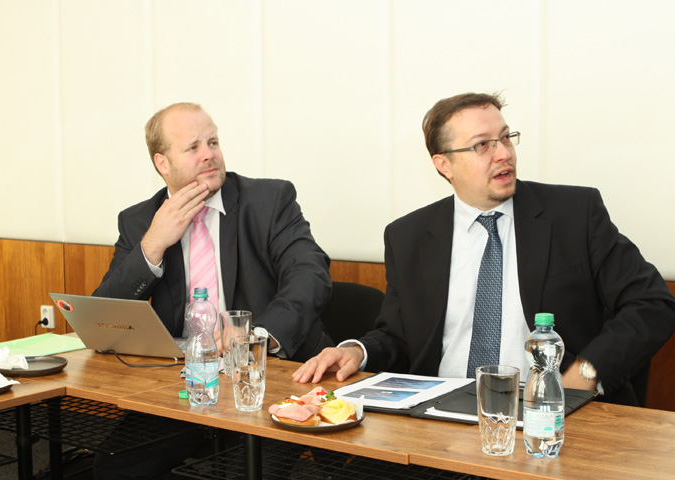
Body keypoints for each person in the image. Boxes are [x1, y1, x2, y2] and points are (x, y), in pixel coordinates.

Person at [293, 92, 675, 407]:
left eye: (506, 138)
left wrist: (587, 373)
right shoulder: (409, 236)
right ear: (444, 164)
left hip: (548, 414)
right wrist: (357, 351)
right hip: (441, 416)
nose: (503, 154)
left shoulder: (574, 215)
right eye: (482, 145)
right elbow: (399, 337)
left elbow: (652, 303)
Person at [93, 102, 334, 479]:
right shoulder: (140, 220)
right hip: (182, 386)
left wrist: (257, 337)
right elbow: (104, 316)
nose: (209, 154)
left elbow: (310, 274)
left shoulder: (269, 201)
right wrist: (153, 244)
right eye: (193, 147)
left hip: (264, 384)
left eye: (213, 142)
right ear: (162, 163)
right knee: (113, 469)